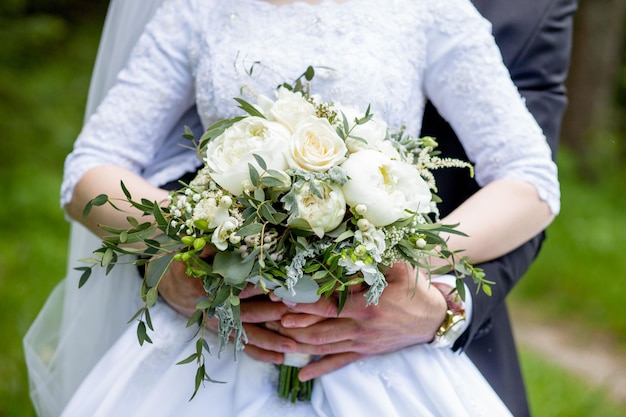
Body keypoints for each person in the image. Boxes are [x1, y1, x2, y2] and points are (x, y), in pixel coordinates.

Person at [24, 0, 561, 416]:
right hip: (220, 335)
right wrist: (185, 241)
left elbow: (531, 179)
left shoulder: (427, 10)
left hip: (372, 339)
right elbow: (91, 168)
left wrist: (401, 258)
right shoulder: (200, 8)